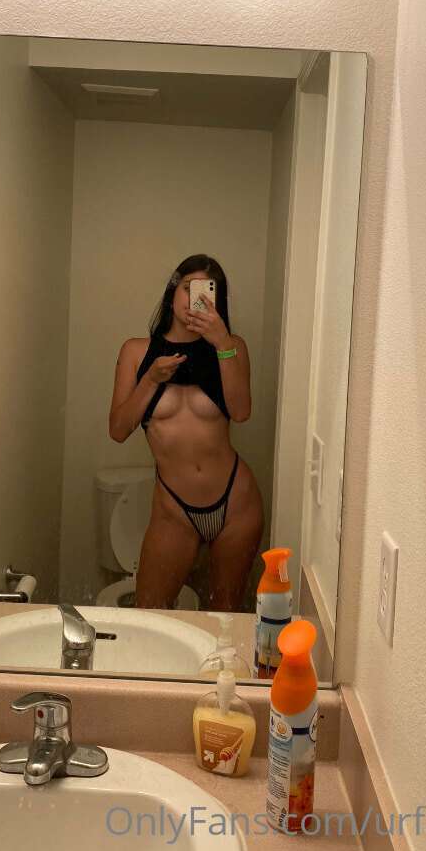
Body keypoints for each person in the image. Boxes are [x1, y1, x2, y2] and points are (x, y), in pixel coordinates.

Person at [108, 255, 264, 610]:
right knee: (149, 614)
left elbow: (241, 412)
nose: (194, 297)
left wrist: (221, 342)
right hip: (173, 510)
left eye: (206, 291)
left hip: (236, 503)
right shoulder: (136, 352)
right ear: (172, 293)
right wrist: (151, 379)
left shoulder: (232, 347)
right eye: (187, 288)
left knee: (226, 617)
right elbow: (118, 430)